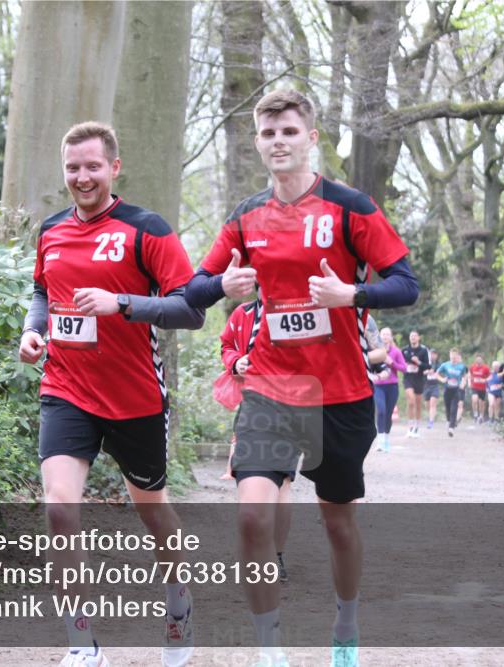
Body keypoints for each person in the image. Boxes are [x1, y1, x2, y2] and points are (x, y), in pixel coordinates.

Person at [184, 89, 418, 667]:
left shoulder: (350, 207)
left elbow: (406, 284)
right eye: (268, 134)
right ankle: (270, 649)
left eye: (289, 131)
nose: (278, 142)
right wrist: (223, 287)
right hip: (270, 387)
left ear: (311, 138)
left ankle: (346, 624)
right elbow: (193, 289)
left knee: (338, 522)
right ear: (258, 143)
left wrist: (351, 293)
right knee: (251, 513)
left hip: (341, 393)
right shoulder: (245, 217)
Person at [18, 121, 204, 667]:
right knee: (58, 506)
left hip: (134, 397)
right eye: (73, 167)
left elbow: (191, 309)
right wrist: (34, 330)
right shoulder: (50, 231)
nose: (82, 177)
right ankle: (82, 644)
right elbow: (41, 292)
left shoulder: (147, 229)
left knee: (153, 514)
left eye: (92, 166)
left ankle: (179, 606)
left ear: (114, 167)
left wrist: (122, 303)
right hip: (66, 388)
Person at [217, 300, 293, 582]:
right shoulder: (244, 313)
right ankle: (255, 550)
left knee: (281, 480)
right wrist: (236, 362)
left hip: (291, 401)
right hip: (251, 402)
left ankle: (276, 556)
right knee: (247, 475)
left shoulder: (301, 306)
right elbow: (226, 345)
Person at [372, 327, 407, 452]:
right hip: (378, 385)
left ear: (391, 337)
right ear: (379, 336)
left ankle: (386, 439)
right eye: (383, 334)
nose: (385, 337)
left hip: (392, 386)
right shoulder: (375, 351)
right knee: (381, 411)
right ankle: (380, 442)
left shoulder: (396, 352)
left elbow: (404, 368)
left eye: (387, 334)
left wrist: (391, 363)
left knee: (388, 414)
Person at [401, 331, 432, 438]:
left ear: (418, 338)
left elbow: (428, 366)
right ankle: (409, 427)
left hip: (419, 379)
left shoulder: (423, 350)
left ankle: (416, 427)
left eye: (415, 336)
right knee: (411, 401)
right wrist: (406, 365)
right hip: (408, 378)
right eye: (411, 336)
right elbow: (400, 363)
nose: (413, 338)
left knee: (418, 404)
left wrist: (418, 363)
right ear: (409, 338)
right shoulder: (405, 350)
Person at [436, 348, 468, 438]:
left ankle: (451, 428)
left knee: (454, 408)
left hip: (456, 390)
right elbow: (436, 373)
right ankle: (448, 421)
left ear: (458, 357)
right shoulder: (445, 365)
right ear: (449, 356)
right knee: (448, 408)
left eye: (455, 357)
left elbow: (465, 376)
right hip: (447, 389)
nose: (453, 358)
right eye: (452, 357)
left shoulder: (461, 367)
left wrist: (463, 383)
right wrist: (442, 379)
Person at [469, 354, 491, 424]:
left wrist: (485, 380)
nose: (478, 361)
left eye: (480, 359)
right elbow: (469, 374)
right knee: (474, 399)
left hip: (482, 388)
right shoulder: (472, 367)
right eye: (477, 359)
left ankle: (481, 416)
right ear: (475, 360)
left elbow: (490, 377)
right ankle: (475, 414)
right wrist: (469, 382)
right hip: (474, 387)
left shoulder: (486, 368)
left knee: (481, 403)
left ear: (482, 360)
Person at [423, 351, 442, 429]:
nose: (432, 355)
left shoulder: (439, 364)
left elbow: (441, 372)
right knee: (427, 405)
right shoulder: (425, 363)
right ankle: (431, 416)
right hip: (426, 385)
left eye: (434, 354)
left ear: (437, 355)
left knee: (432, 403)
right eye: (431, 354)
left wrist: (434, 372)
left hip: (435, 385)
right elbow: (421, 371)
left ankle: (431, 422)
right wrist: (426, 372)